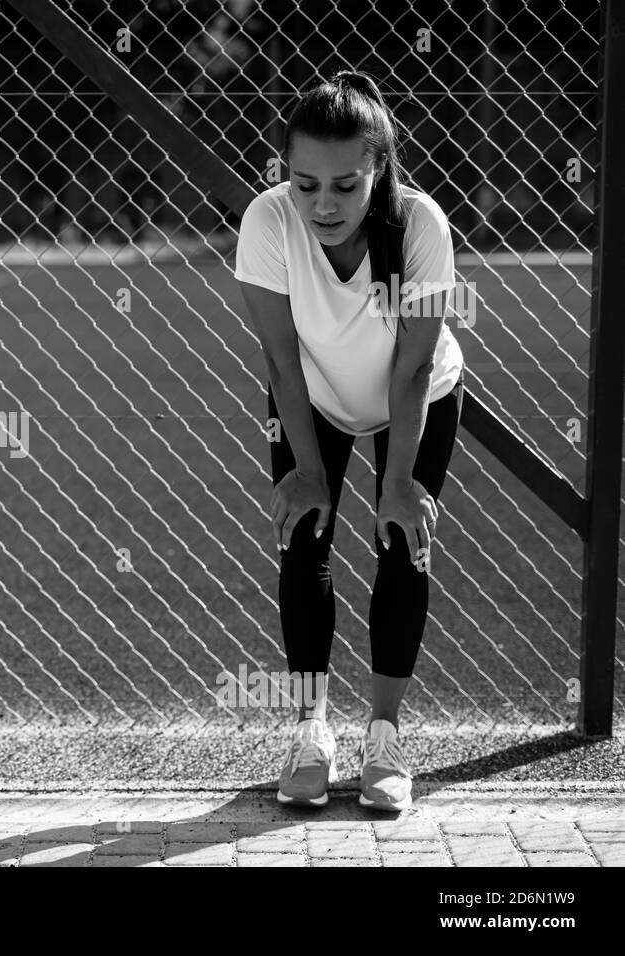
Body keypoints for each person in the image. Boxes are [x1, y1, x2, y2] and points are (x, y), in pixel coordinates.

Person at [233, 69, 467, 811]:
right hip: (318, 396)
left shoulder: (419, 224)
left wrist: (398, 486)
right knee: (304, 539)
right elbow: (280, 358)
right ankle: (311, 732)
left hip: (416, 395)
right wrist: (306, 470)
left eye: (345, 185)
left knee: (403, 538)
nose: (323, 204)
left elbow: (414, 364)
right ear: (285, 176)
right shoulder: (267, 224)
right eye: (305, 185)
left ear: (380, 169)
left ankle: (386, 739)